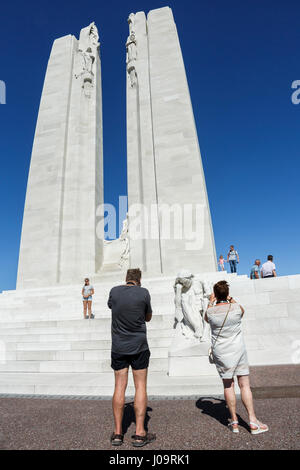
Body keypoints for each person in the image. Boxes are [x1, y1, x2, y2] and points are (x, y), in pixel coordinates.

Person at [205, 280, 268, 435]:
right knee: (244, 385)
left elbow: (206, 318)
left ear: (215, 294)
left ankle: (234, 421)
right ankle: (252, 421)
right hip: (238, 350)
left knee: (228, 385)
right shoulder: (236, 308)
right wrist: (230, 298)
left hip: (221, 352)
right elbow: (242, 309)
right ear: (226, 293)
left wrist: (211, 301)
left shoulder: (210, 312)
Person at [107, 268, 156, 447]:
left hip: (119, 346)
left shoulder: (114, 291)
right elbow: (148, 317)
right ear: (139, 279)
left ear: (126, 279)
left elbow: (112, 306)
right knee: (140, 386)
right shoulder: (143, 293)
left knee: (119, 386)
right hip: (139, 346)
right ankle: (140, 433)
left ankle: (118, 433)